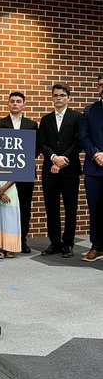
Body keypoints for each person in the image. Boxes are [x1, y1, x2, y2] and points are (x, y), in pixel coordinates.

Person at [38, 83, 82, 258]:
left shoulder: (77, 118)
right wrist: (53, 158)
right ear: (52, 97)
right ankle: (55, 242)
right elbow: (41, 143)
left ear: (68, 98)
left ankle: (68, 244)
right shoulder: (46, 119)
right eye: (56, 95)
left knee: (71, 207)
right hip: (50, 170)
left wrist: (63, 159)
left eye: (62, 95)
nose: (59, 98)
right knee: (51, 207)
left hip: (70, 170)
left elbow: (78, 142)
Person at [0, 91, 38, 253]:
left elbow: (35, 149)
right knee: (5, 207)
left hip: (25, 172)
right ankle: (4, 241)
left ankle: (22, 240)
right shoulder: (0, 123)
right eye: (12, 101)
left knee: (24, 207)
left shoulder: (31, 124)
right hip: (5, 173)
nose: (15, 104)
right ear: (8, 103)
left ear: (23, 105)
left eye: (18, 101)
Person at [79, 73, 103, 262]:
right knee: (94, 209)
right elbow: (83, 137)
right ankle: (96, 246)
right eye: (100, 85)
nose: (102, 87)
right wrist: (96, 154)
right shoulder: (89, 110)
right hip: (94, 169)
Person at [0, 181, 21, 258]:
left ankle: (10, 248)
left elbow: (16, 174)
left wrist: (2, 190)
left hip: (9, 188)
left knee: (10, 220)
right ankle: (0, 248)